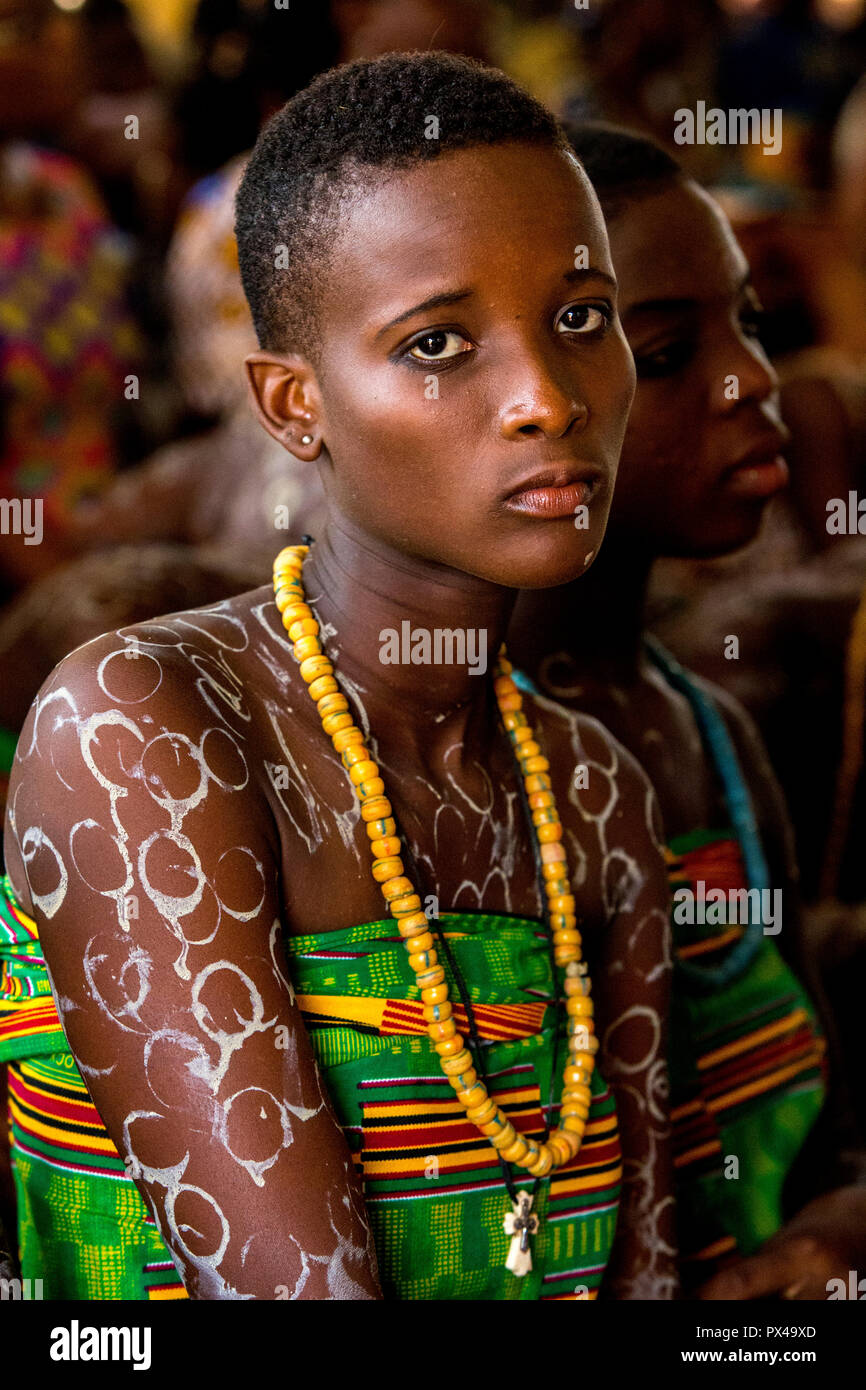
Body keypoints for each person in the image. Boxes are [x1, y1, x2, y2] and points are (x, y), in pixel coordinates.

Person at [2, 54, 676, 1301]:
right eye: (436, 342)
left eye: (581, 317)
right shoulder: (146, 729)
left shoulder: (594, 792)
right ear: (293, 402)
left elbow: (648, 1283)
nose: (545, 397)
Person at [509, 123, 866, 1300]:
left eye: (748, 324)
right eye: (665, 353)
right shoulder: (429, 761)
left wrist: (824, 1241)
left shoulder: (710, 734)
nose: (752, 379)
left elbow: (821, 1144)